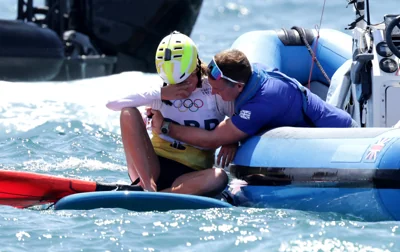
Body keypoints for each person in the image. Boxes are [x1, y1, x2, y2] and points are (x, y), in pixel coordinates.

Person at [106, 31, 236, 196]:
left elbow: (242, 118)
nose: (182, 89)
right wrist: (162, 93)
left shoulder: (214, 92)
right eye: (176, 83)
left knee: (219, 177)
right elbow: (111, 103)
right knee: (128, 112)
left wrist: (231, 140)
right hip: (152, 167)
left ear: (195, 68)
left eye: (186, 81)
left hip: (191, 175)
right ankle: (147, 187)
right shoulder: (162, 92)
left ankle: (159, 195)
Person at [150, 49, 357, 150]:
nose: (213, 93)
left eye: (217, 89)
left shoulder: (262, 102)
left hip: (345, 138)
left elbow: (213, 139)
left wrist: (166, 127)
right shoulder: (250, 74)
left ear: (238, 87)